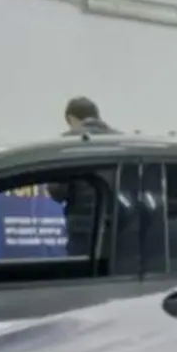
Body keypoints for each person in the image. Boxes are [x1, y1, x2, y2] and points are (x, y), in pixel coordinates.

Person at [53, 98, 116, 256]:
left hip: (82, 229)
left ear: (71, 118)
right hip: (118, 227)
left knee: (82, 269)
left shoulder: (67, 142)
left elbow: (58, 191)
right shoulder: (119, 140)